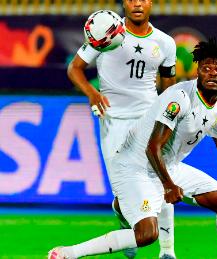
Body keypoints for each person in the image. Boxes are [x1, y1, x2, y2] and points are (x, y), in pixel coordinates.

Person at [49, 37, 217, 259]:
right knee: (147, 235)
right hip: (135, 165)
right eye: (206, 68)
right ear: (197, 70)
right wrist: (169, 185)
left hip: (168, 165)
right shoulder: (180, 98)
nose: (212, 73)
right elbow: (153, 146)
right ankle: (67, 253)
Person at [67, 1, 177, 258]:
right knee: (124, 193)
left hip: (149, 119)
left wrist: (170, 120)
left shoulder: (165, 43)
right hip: (114, 122)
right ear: (124, 3)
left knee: (161, 179)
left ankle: (167, 251)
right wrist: (92, 93)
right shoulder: (107, 31)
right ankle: (125, 216)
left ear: (151, 2)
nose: (137, 3)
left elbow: (170, 90)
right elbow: (74, 68)